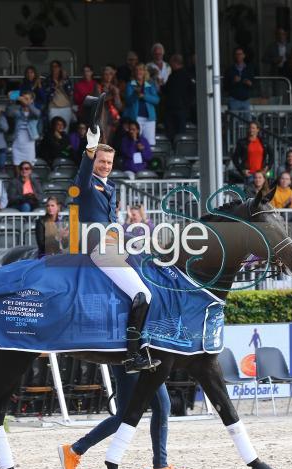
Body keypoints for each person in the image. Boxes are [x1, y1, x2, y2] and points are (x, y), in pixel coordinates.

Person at [72, 127, 157, 373]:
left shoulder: (109, 187)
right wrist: (90, 148)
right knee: (143, 294)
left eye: (109, 162)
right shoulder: (87, 183)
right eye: (101, 161)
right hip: (99, 247)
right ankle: (133, 355)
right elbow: (83, 172)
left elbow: (113, 223)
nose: (106, 166)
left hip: (113, 244)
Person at [57, 362, 185, 469]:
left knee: (162, 407)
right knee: (125, 416)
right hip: (129, 356)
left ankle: (161, 465)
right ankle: (74, 450)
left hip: (150, 356)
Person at [124, 63, 160, 146]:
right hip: (135, 118)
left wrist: (144, 96)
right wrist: (135, 95)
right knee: (134, 141)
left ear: (144, 72)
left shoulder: (150, 84)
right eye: (136, 70)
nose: (138, 72)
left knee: (149, 143)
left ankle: (147, 158)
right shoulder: (130, 84)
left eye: (140, 69)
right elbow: (128, 101)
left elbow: (156, 100)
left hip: (149, 119)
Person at [163, 54, 194, 142]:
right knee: (173, 134)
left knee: (179, 134)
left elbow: (192, 93)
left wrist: (186, 105)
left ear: (175, 62)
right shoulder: (173, 76)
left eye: (171, 63)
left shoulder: (185, 76)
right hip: (174, 109)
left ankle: (178, 152)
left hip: (179, 110)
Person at [231, 121, 272, 186]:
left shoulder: (264, 141)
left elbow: (271, 155)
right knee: (250, 194)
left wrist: (268, 167)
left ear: (258, 129)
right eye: (249, 128)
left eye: (253, 128)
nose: (251, 130)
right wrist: (242, 170)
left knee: (263, 193)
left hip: (261, 174)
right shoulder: (242, 142)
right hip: (249, 174)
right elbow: (235, 158)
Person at [8, 91, 41, 166]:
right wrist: (11, 101)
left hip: (29, 144)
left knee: (28, 168)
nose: (24, 100)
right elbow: (8, 113)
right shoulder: (17, 110)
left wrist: (28, 104)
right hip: (17, 143)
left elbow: (38, 114)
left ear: (32, 100)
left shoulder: (34, 110)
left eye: (27, 99)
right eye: (23, 98)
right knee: (16, 167)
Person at [223, 47, 254, 114]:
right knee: (234, 121)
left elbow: (254, 84)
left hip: (246, 100)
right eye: (237, 54)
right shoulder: (229, 70)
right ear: (234, 56)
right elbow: (225, 87)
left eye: (240, 54)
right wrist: (233, 81)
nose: (238, 56)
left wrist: (250, 83)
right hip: (234, 100)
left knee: (247, 121)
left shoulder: (249, 69)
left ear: (244, 55)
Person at [45, 60, 74, 129]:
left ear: (60, 68)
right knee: (54, 129)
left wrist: (64, 79)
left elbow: (70, 92)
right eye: (52, 67)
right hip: (53, 107)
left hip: (66, 107)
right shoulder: (48, 79)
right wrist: (58, 83)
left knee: (65, 129)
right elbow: (48, 93)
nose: (54, 68)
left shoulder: (66, 78)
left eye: (56, 66)